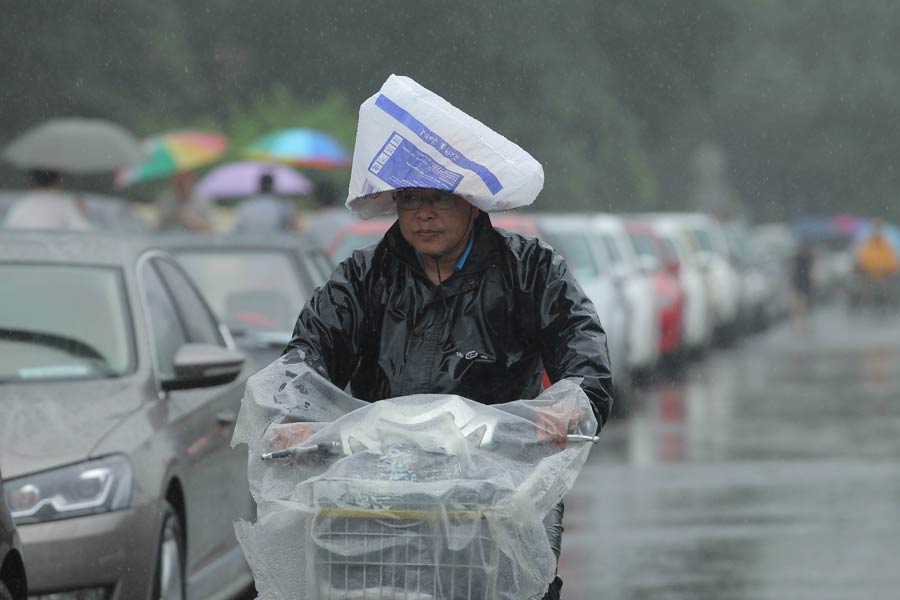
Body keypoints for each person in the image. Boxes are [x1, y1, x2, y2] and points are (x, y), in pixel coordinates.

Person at [3, 169, 91, 230]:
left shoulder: (21, 205)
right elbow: (86, 236)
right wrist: (82, 215)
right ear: (58, 181)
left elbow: (7, 235)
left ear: (33, 181)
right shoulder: (66, 205)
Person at [854, 219, 899, 310]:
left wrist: (886, 268)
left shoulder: (886, 244)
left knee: (886, 284)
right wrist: (869, 267)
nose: (877, 231)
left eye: (879, 229)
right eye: (876, 229)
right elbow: (862, 258)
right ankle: (867, 302)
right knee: (866, 284)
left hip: (884, 273)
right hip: (868, 272)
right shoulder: (867, 243)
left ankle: (884, 302)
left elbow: (891, 260)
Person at [232, 172, 299, 233]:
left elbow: (239, 228)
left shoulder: (245, 205)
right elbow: (291, 228)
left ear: (259, 185)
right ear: (272, 186)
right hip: (275, 241)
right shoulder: (282, 206)